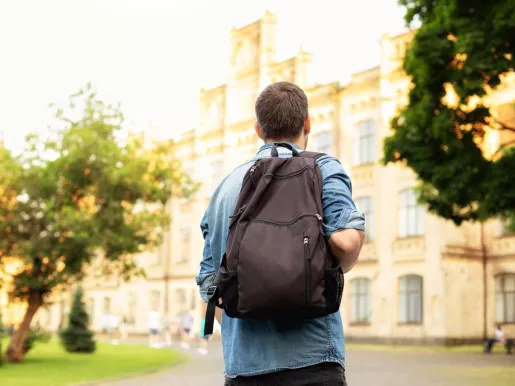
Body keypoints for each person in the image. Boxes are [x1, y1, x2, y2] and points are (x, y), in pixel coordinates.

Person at [196, 81, 365, 385]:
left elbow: (209, 283)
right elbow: (346, 240)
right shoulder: (323, 169)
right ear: (307, 123)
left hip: (243, 369)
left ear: (258, 130)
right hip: (313, 362)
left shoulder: (224, 189)